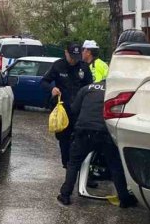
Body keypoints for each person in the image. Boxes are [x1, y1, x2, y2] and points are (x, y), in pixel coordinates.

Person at [56, 79, 138, 208]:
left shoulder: (87, 89)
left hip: (84, 132)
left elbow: (74, 110)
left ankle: (65, 195)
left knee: (73, 163)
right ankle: (124, 199)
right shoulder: (115, 92)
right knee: (115, 166)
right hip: (106, 133)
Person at [41, 42, 93, 167]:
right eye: (71, 57)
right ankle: (67, 165)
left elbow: (89, 87)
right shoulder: (58, 66)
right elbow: (44, 81)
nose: (73, 61)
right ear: (66, 53)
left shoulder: (84, 67)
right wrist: (52, 89)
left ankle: (81, 169)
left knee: (80, 139)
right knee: (64, 140)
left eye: (76, 57)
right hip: (63, 110)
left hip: (79, 111)